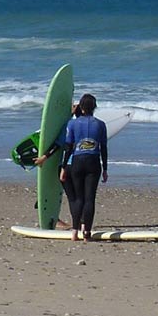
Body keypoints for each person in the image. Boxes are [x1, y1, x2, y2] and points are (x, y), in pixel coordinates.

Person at [38, 93, 107, 240]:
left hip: (74, 163)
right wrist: (105, 168)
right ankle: (85, 230)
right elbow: (103, 148)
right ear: (94, 107)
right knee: (89, 198)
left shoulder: (71, 125)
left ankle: (75, 231)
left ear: (81, 108)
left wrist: (59, 165)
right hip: (92, 163)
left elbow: (66, 146)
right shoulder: (100, 125)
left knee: (76, 199)